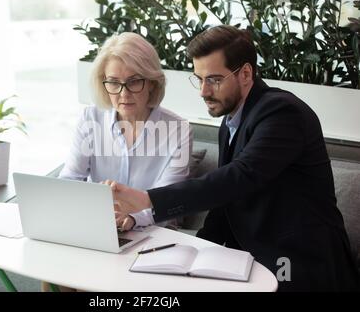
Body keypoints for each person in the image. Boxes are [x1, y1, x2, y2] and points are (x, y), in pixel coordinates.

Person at [107, 25, 360, 291]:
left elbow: (238, 177)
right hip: (255, 258)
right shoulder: (230, 121)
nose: (203, 91)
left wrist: (148, 199)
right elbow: (226, 201)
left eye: (214, 79)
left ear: (246, 74)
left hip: (301, 264)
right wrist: (194, 252)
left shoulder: (283, 113)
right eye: (199, 79)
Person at [59, 32, 192, 231]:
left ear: (152, 83)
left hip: (155, 234)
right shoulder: (90, 119)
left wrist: (132, 217)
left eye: (134, 81)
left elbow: (168, 201)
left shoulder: (178, 130)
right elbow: (68, 182)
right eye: (113, 82)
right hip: (98, 228)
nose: (124, 94)